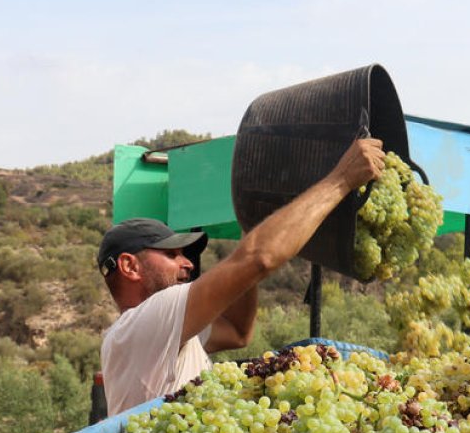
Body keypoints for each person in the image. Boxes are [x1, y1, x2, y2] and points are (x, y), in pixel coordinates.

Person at [98, 138, 385, 415]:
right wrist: (341, 179)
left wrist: (250, 230)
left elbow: (237, 332)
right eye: (172, 255)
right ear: (130, 266)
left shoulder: (163, 334)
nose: (187, 263)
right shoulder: (144, 322)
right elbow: (258, 259)